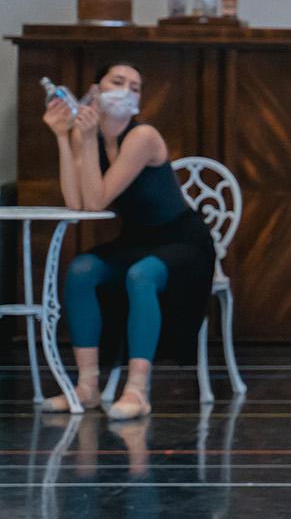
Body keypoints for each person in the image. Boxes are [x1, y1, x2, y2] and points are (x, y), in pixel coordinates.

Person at [40, 63, 215, 420]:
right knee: (82, 268)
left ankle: (137, 389)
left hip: (184, 242)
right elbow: (79, 204)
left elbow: (98, 199)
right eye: (117, 82)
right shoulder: (88, 135)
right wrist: (64, 136)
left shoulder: (143, 137)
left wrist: (84, 141)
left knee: (141, 275)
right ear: (95, 91)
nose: (125, 91)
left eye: (135, 87)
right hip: (138, 240)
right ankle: (87, 387)